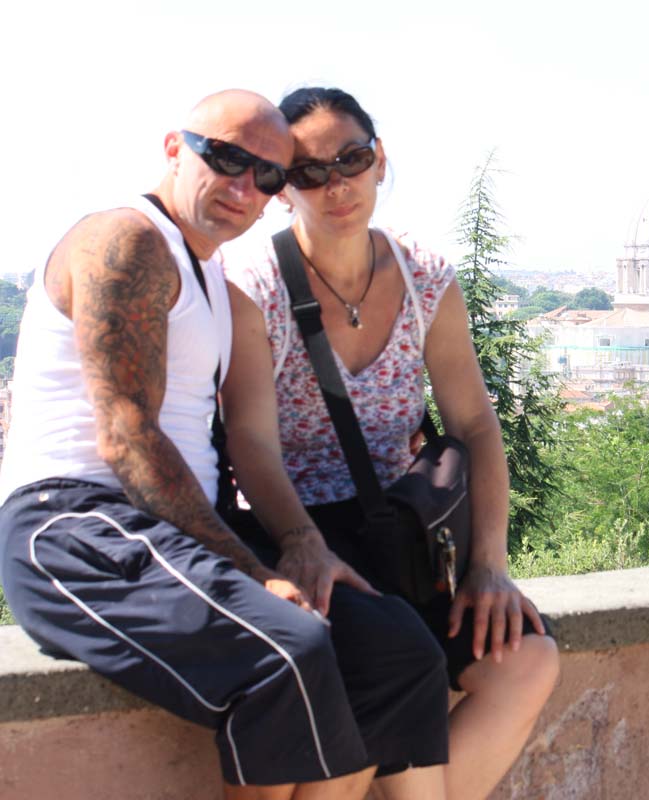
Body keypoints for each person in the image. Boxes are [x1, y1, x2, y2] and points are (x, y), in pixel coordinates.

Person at [0, 90, 393, 800]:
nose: (245, 186)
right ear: (174, 149)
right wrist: (253, 570)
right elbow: (127, 438)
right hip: (74, 525)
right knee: (290, 648)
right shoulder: (126, 240)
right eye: (227, 158)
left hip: (162, 529)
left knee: (391, 654)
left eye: (268, 175)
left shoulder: (208, 269)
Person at [222, 86, 560, 800]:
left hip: (404, 536)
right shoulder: (254, 287)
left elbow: (475, 425)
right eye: (310, 171)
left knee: (527, 659)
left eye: (351, 159)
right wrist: (302, 544)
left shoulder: (424, 277)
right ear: (283, 189)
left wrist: (490, 566)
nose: (337, 185)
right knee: (397, 675)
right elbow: (249, 438)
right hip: (302, 542)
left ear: (379, 159)